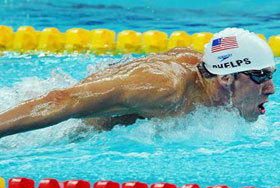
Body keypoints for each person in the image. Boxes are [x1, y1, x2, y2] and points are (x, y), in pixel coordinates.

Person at [0, 28, 276, 138]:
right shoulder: (164, 90)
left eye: (271, 75)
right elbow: (62, 101)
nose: (271, 88)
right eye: (260, 76)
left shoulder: (208, 81)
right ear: (226, 77)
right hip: (60, 132)